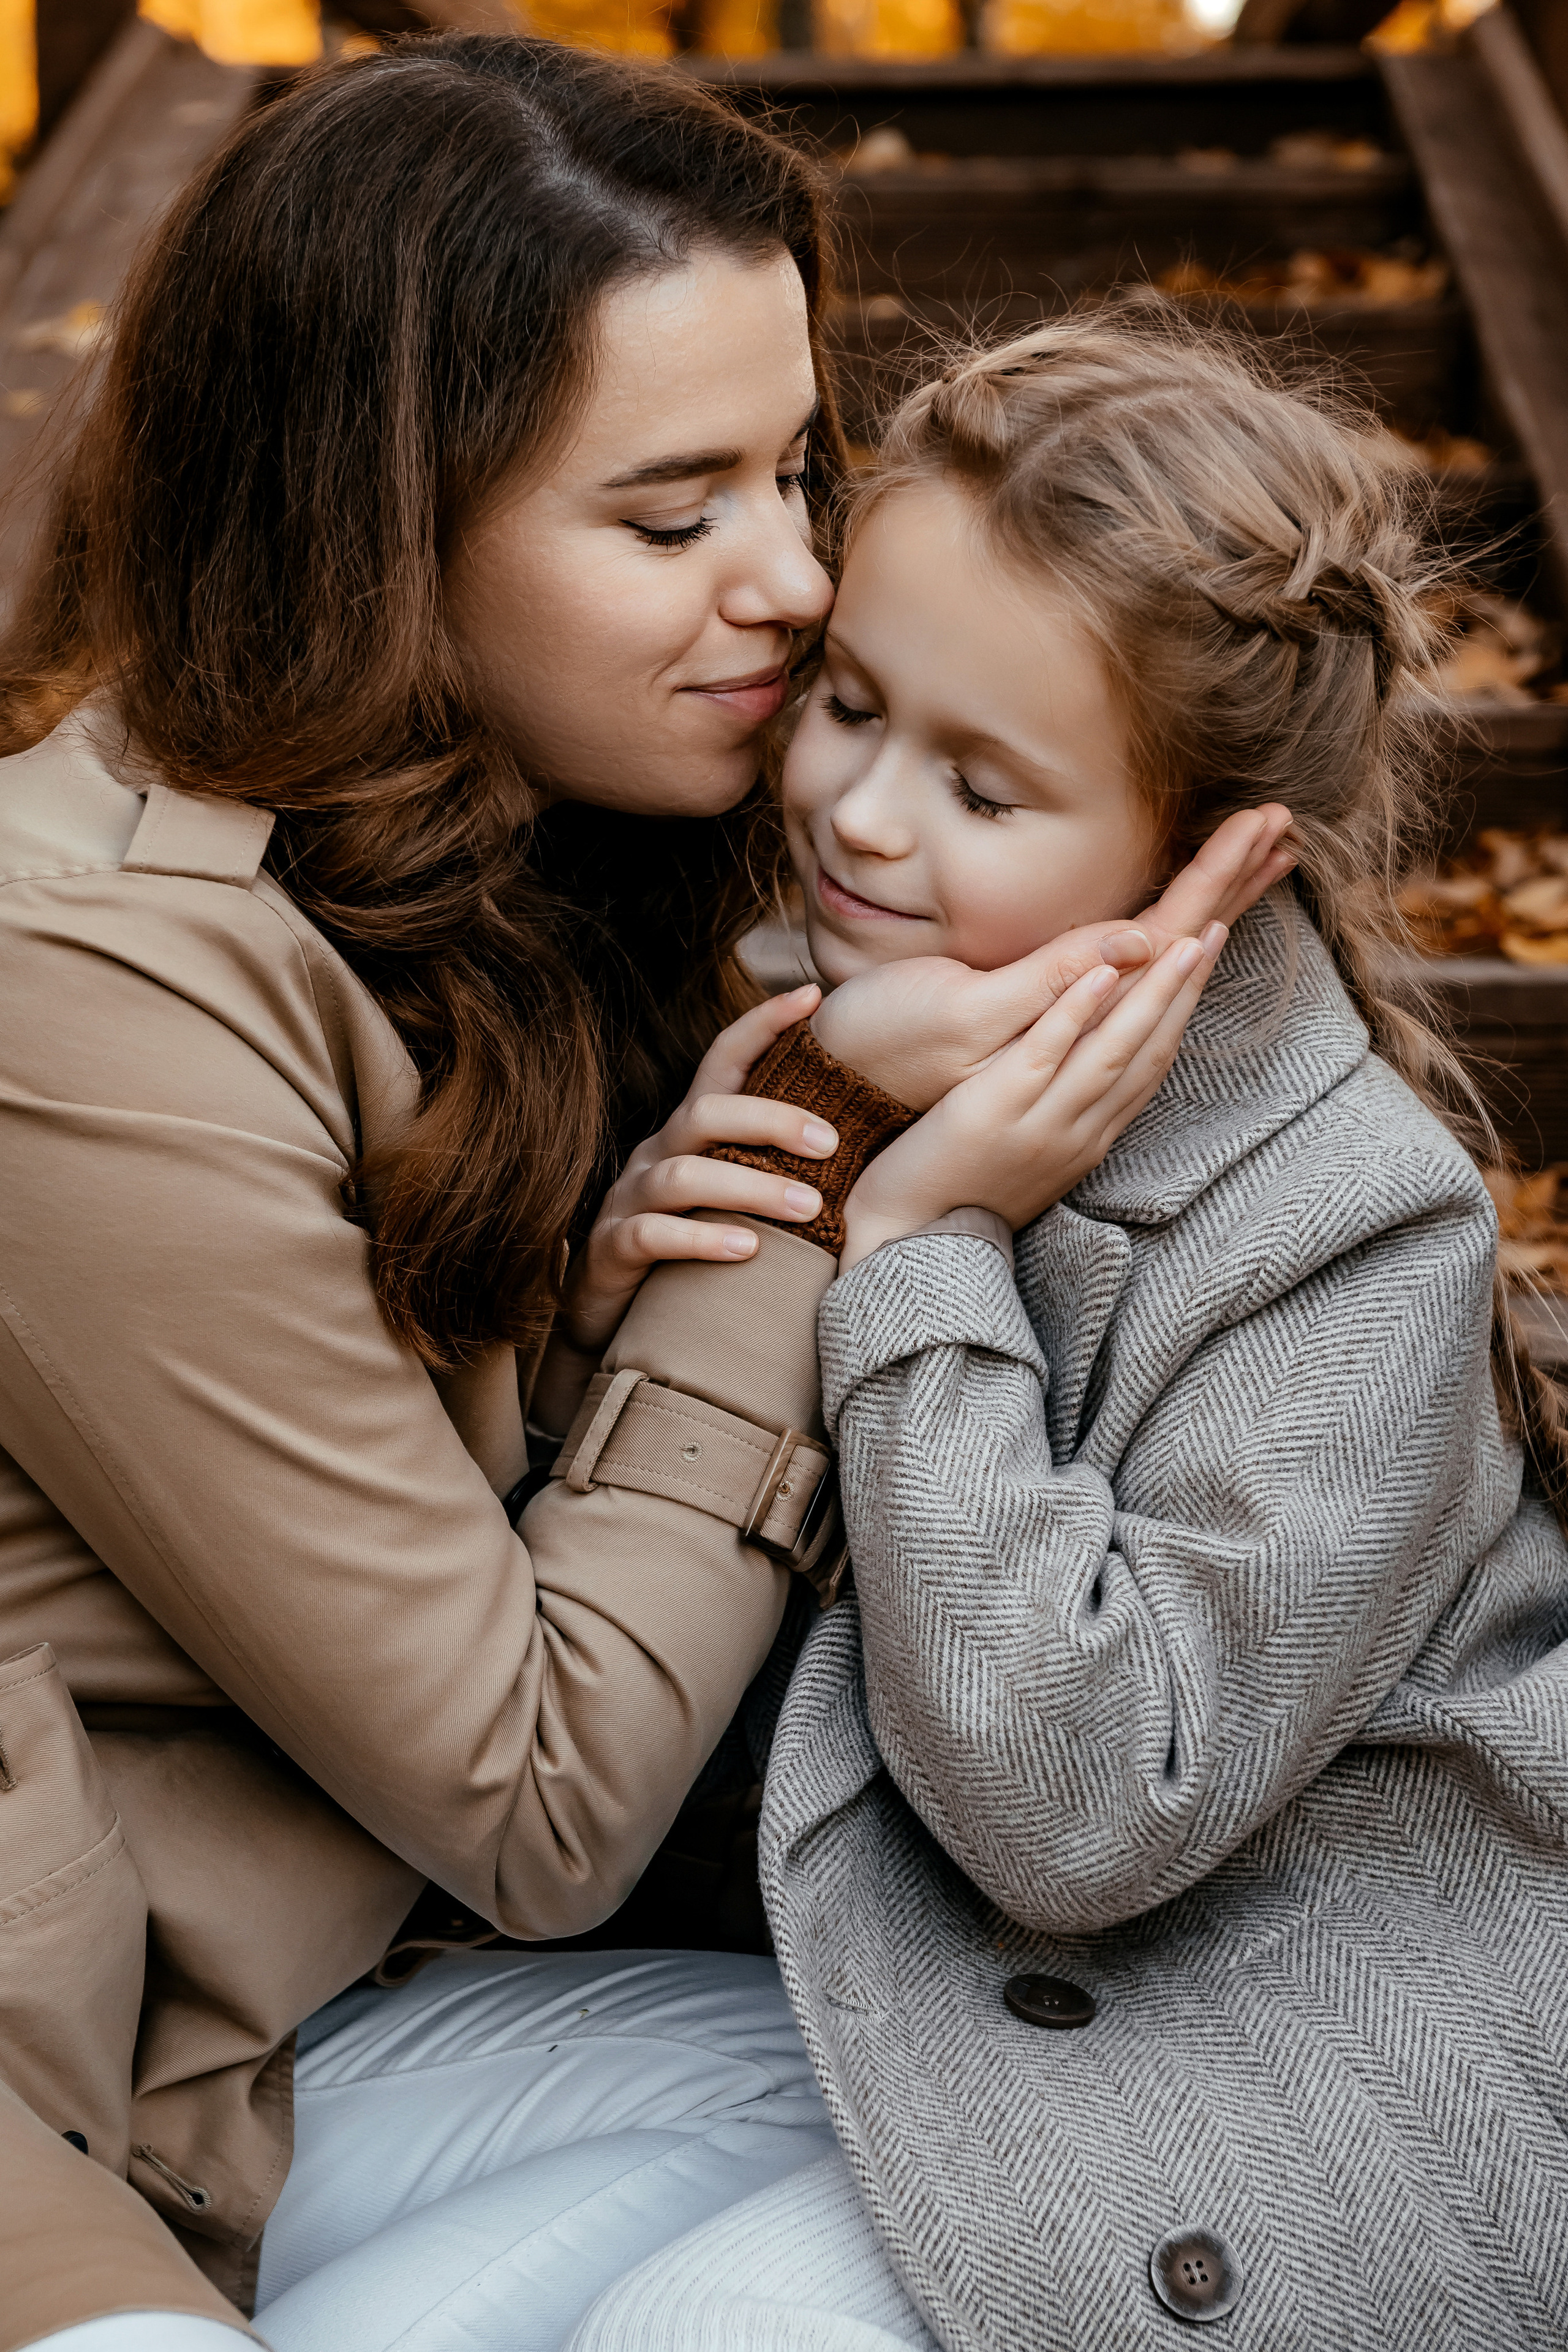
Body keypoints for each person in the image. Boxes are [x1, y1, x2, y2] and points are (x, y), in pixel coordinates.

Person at [0, 43, 1273, 2352]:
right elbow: (540, 1796)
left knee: (1043, 2156)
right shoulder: (72, 996)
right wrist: (821, 1192)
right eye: (673, 516)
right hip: (82, 2108)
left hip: (314, 2023)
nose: (795, 580)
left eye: (795, 466)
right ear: (359, 530)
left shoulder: (480, 868)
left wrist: (602, 1324)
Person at [563, 316, 1568, 2350]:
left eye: (985, 784)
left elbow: (1081, 1810)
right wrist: (611, 1312)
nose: (857, 814)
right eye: (850, 702)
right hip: (906, 1982)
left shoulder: (1351, 1224)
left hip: (1303, 2053)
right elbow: (630, 1632)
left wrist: (923, 1247)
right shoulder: (820, 1014)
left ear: (1212, 861)